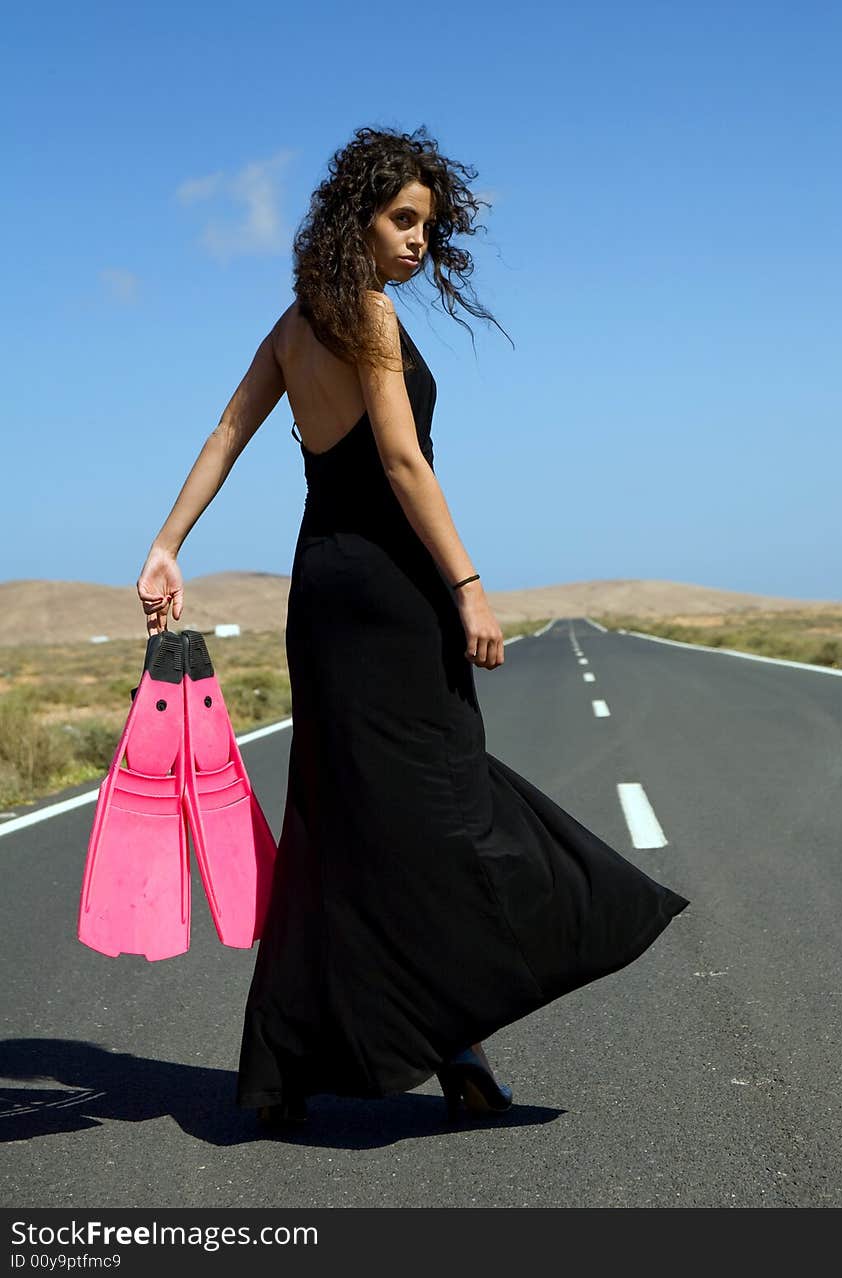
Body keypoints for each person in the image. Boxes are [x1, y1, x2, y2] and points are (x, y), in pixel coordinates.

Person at [136, 124, 688, 1128]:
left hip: (322, 594)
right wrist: (469, 584)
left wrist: (168, 541)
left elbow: (227, 433)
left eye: (428, 224)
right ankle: (460, 1028)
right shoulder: (371, 320)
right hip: (392, 595)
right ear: (359, 219)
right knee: (447, 804)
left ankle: (296, 1066)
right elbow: (401, 464)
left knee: (341, 822)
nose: (419, 240)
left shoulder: (295, 324)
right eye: (403, 219)